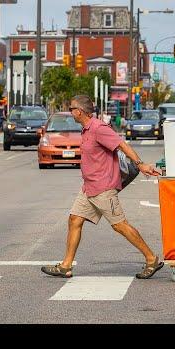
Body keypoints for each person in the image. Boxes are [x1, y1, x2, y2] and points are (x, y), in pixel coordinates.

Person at [41, 95, 163, 279]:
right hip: (89, 187)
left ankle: (151, 258)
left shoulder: (99, 128)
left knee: (120, 226)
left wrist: (140, 164)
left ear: (79, 111)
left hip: (103, 187)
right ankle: (66, 266)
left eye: (72, 108)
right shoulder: (86, 130)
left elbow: (121, 145)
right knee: (75, 219)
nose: (70, 112)